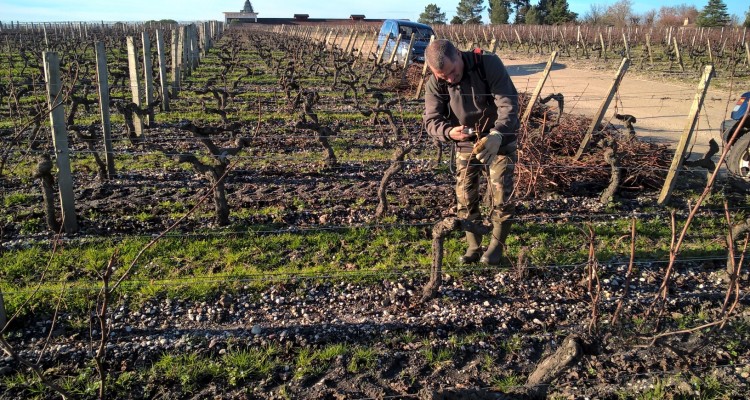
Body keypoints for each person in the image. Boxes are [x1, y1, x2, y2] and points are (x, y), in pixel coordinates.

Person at [423, 39, 519, 266]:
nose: (449, 79)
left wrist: (498, 134)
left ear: (458, 54)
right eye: (442, 76)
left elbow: (509, 104)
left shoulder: (487, 64)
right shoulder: (436, 81)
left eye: (451, 72)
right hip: (466, 141)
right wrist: (448, 132)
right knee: (465, 196)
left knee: (502, 193)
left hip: (499, 138)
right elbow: (431, 120)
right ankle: (474, 247)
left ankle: (496, 248)